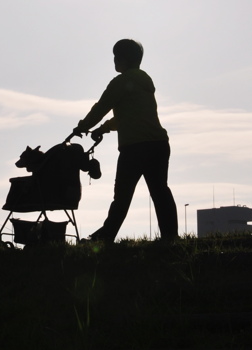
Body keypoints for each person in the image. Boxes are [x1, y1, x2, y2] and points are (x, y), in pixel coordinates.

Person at [72, 39, 178, 245]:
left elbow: (100, 107)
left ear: (122, 59)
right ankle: (170, 237)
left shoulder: (119, 83)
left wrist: (82, 127)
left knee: (122, 196)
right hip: (158, 144)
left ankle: (105, 237)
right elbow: (128, 116)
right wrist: (102, 129)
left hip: (135, 148)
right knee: (160, 191)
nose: (113, 61)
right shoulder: (145, 81)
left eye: (115, 57)